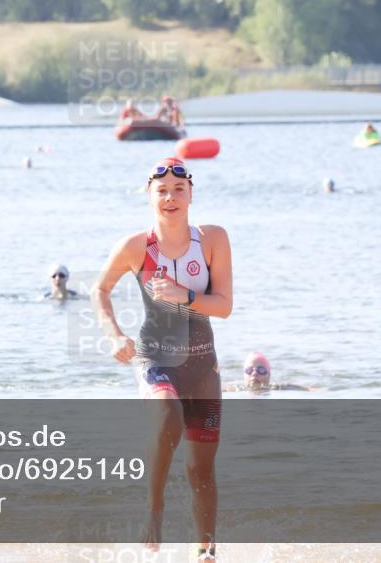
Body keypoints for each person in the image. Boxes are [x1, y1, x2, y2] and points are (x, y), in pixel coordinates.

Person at [92, 156, 232, 560]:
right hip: (155, 359)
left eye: (178, 190)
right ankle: (154, 509)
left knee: (201, 470)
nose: (170, 198)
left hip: (204, 366)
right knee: (168, 415)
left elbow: (224, 306)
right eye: (162, 191)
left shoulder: (213, 239)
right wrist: (114, 334)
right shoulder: (136, 246)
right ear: (149, 195)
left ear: (191, 194)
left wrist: (185, 296)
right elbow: (99, 290)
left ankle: (206, 550)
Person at [242, 352, 313, 392]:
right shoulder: (237, 389)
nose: (254, 373)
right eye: (249, 370)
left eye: (261, 370)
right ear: (244, 375)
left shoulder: (277, 388)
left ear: (269, 375)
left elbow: (309, 389)